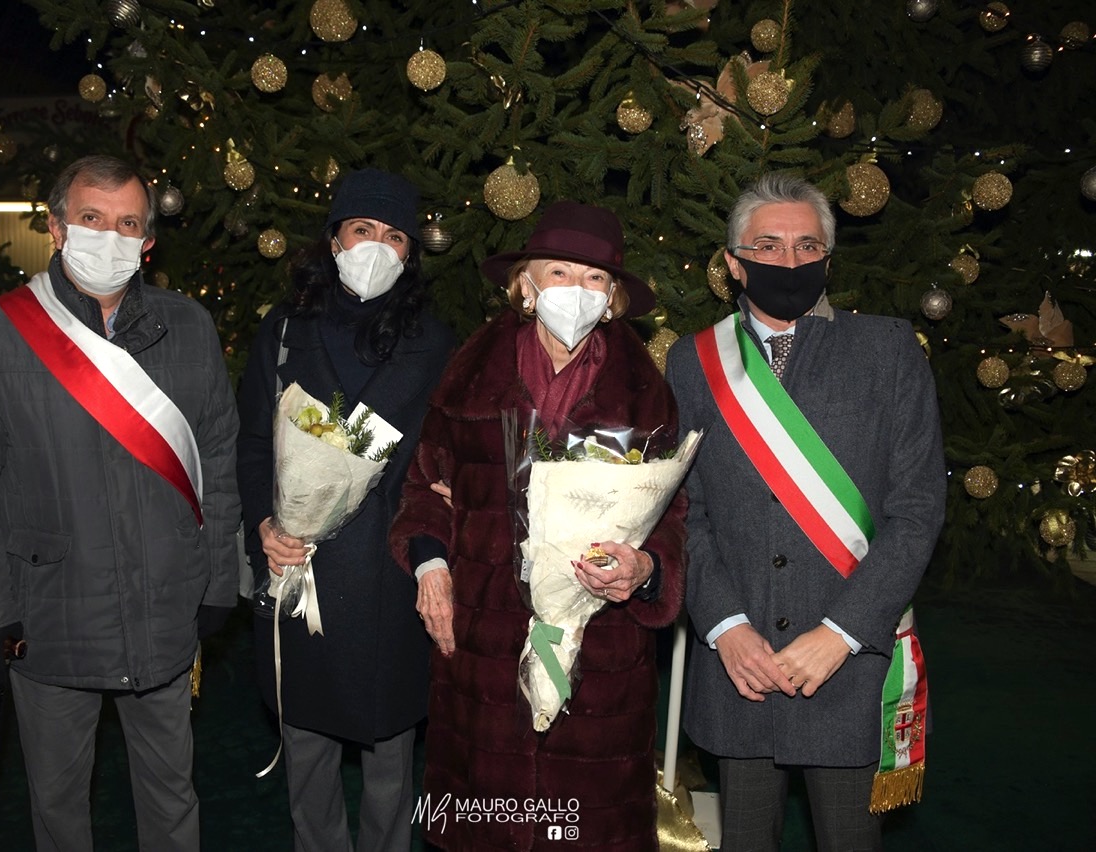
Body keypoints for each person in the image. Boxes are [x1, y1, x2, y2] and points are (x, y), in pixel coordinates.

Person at [0, 154, 240, 852]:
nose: (110, 236)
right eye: (92, 218)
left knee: (171, 798)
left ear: (147, 241)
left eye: (128, 223)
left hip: (166, 609)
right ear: (58, 227)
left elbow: (216, 462)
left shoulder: (187, 327)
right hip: (46, 614)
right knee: (59, 808)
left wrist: (221, 579)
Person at [389, 201, 688, 851]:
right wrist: (431, 564)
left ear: (612, 300)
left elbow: (675, 516)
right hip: (482, 649)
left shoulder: (645, 394)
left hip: (599, 653)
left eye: (594, 280)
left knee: (584, 832)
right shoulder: (468, 376)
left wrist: (646, 570)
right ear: (525, 286)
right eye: (558, 273)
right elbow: (425, 485)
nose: (574, 293)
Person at [666, 172, 946, 852]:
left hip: (849, 663)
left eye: (806, 245)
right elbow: (681, 509)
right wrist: (725, 626)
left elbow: (917, 510)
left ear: (827, 256)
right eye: (767, 245)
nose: (788, 261)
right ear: (733, 263)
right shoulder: (693, 361)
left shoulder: (888, 350)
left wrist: (841, 633)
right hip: (744, 666)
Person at [237, 167, 453, 852]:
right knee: (306, 746)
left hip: (387, 577)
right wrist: (262, 527)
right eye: (363, 230)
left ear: (411, 254)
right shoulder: (281, 330)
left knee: (391, 752)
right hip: (298, 567)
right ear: (334, 239)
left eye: (395, 238)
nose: (377, 249)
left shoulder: (436, 341)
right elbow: (249, 444)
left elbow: (441, 460)